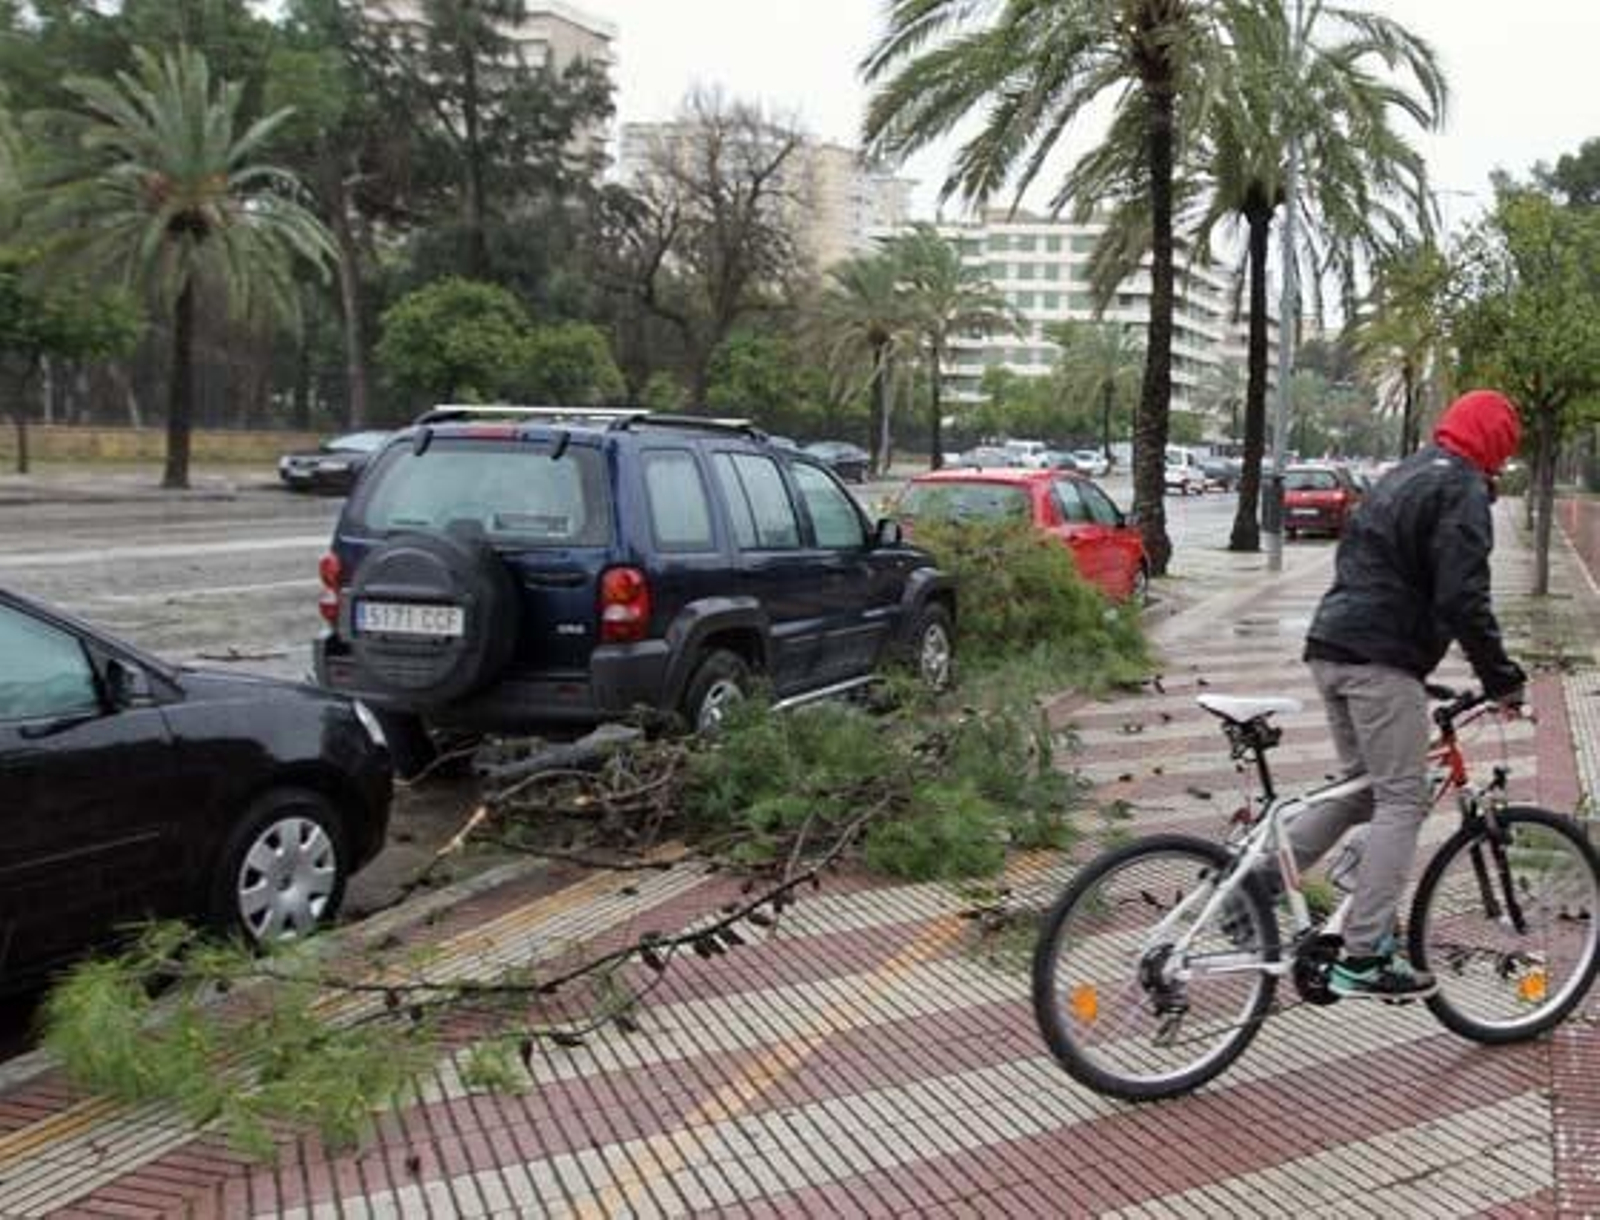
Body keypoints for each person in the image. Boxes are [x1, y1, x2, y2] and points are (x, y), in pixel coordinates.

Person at [1289, 389, 1527, 1000]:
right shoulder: (1463, 488)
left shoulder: (1407, 473)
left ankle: (1258, 887)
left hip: (1331, 647)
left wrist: (1416, 663)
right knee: (1403, 799)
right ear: (1497, 443)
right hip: (1378, 660)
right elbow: (1462, 597)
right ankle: (1365, 955)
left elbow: (1378, 568)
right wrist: (1500, 677)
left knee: (1364, 791)